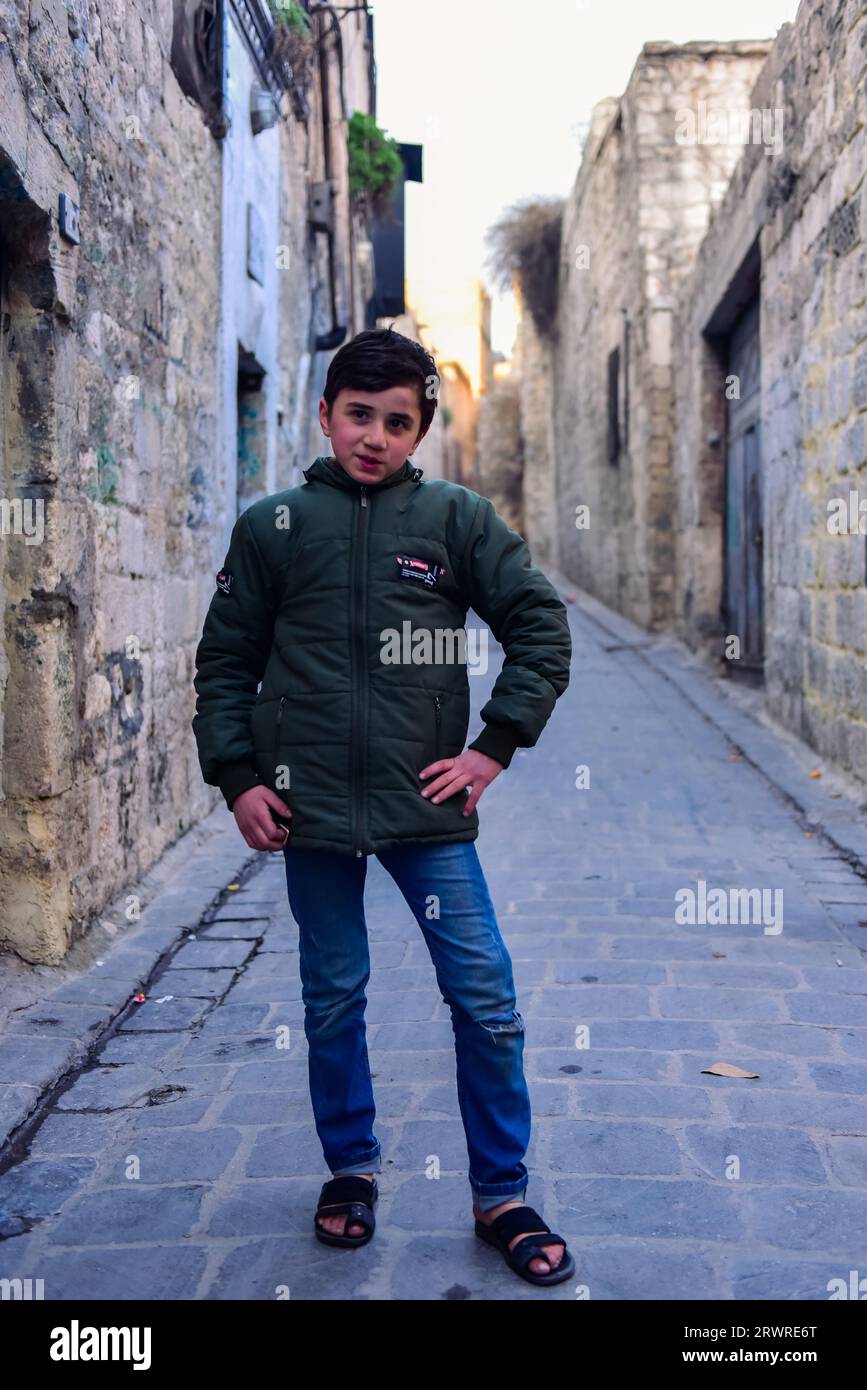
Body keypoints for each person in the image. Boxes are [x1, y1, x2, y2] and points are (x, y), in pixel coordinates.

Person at [192, 326, 574, 1286]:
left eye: (396, 422)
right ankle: (349, 1171)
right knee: (334, 1000)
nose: (373, 436)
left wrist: (490, 751)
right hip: (306, 811)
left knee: (484, 999)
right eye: (357, 415)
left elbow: (540, 627)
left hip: (424, 812)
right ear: (326, 415)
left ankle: (501, 1193)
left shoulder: (455, 521)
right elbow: (224, 663)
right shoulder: (273, 527)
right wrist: (238, 777)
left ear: (421, 432)